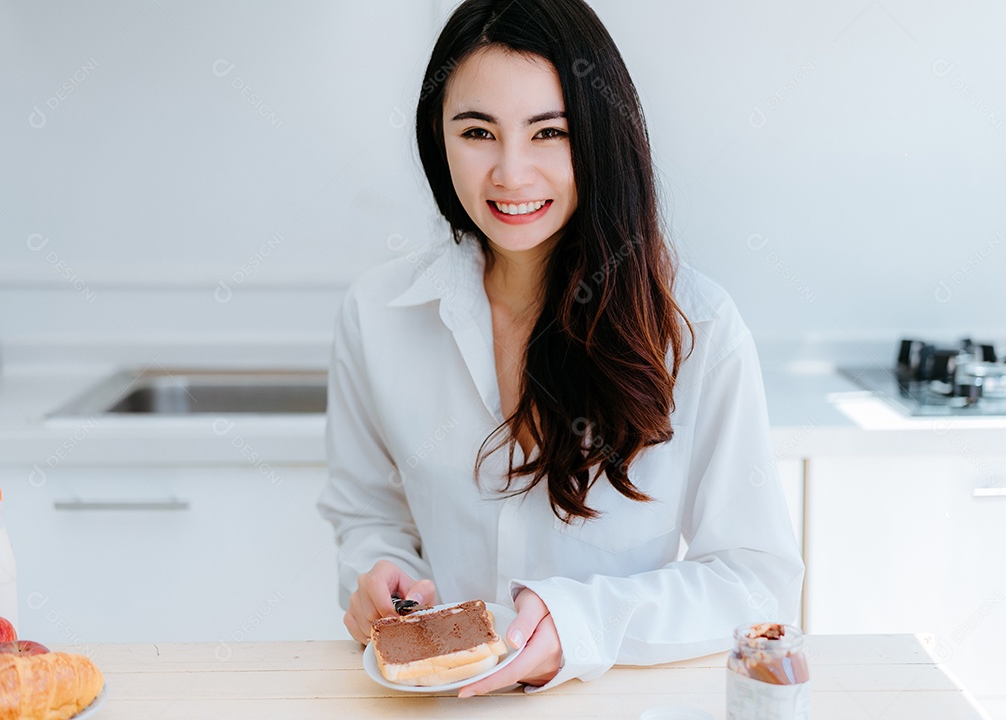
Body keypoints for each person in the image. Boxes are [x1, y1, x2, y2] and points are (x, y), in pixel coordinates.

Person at [317, 0, 803, 697]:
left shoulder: (697, 327)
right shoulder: (376, 314)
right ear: (437, 138)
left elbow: (754, 580)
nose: (511, 174)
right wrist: (382, 581)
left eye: (549, 132)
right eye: (478, 132)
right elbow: (368, 516)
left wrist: (577, 626)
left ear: (600, 137)